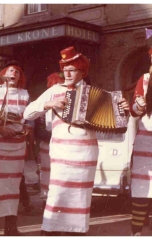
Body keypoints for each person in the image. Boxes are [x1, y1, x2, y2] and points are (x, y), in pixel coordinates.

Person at [23, 46, 129, 236]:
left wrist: (122, 110)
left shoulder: (93, 92)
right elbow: (28, 112)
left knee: (80, 196)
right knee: (58, 193)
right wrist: (49, 104)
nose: (67, 73)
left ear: (82, 71)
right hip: (61, 151)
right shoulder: (54, 90)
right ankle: (51, 231)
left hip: (86, 152)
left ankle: (76, 233)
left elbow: (116, 126)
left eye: (72, 69)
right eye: (65, 69)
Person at [0, 60, 32, 236]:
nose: (14, 74)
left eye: (18, 72)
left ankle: (10, 227)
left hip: (16, 146)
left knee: (13, 186)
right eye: (11, 70)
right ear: (4, 73)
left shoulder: (25, 94)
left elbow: (29, 116)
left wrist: (28, 126)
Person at [130, 47, 152, 236]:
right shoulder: (144, 80)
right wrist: (139, 105)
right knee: (141, 187)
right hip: (146, 140)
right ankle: (136, 231)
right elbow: (134, 111)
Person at [34, 72, 64, 209]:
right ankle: (46, 199)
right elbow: (38, 127)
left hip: (62, 144)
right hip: (47, 143)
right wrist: (50, 137)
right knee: (46, 172)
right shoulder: (45, 103)